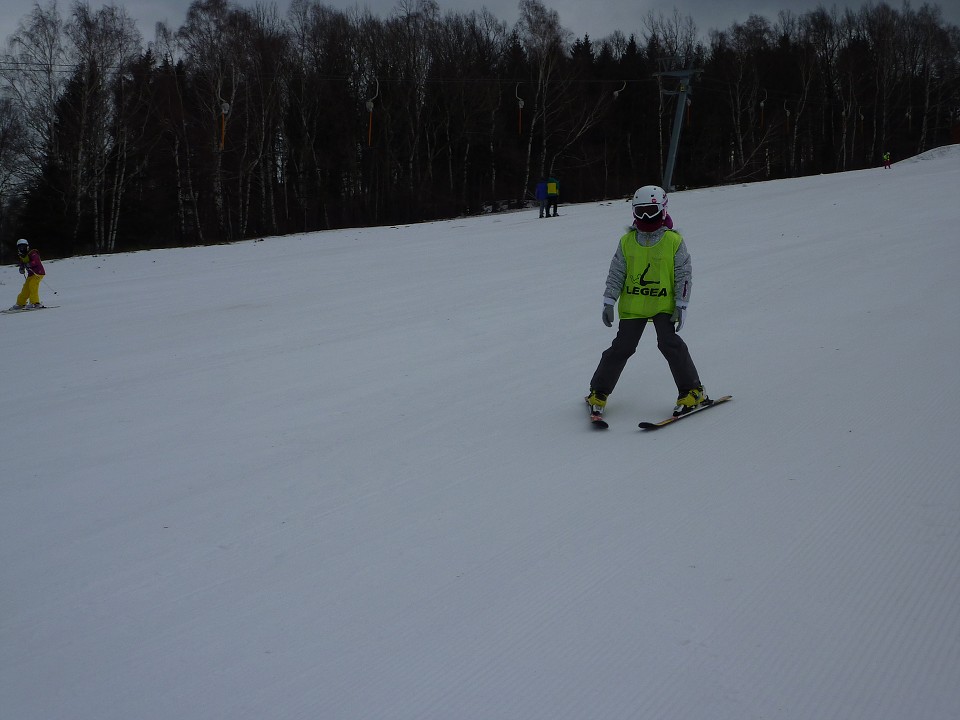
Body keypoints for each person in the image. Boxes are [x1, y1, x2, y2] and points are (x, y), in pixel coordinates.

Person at [585, 185, 707, 419]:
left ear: (662, 210)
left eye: (650, 211)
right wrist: (609, 300)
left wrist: (681, 305)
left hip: (663, 305)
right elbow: (616, 272)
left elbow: (683, 274)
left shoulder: (673, 241)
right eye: (640, 212)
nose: (645, 217)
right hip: (634, 306)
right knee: (622, 347)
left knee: (669, 343)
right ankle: (598, 392)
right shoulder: (627, 241)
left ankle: (692, 390)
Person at [9, 238, 46, 310]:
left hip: (38, 273)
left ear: (27, 246)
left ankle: (35, 303)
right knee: (26, 288)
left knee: (32, 285)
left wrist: (29, 264)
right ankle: (20, 303)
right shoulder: (22, 255)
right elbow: (22, 263)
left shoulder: (33, 253)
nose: (22, 248)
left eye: (23, 246)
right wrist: (21, 268)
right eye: (20, 247)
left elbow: (36, 261)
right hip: (31, 274)